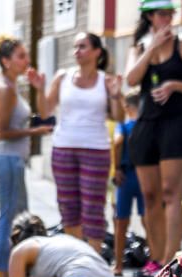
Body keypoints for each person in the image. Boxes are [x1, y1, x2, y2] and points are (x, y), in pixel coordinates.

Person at [124, 0, 182, 277]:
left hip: (178, 122)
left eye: (171, 14)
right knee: (150, 196)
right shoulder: (139, 45)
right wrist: (151, 49)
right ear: (150, 18)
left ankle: (171, 262)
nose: (168, 19)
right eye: (161, 14)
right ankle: (155, 258)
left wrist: (174, 85)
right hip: (148, 122)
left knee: (171, 193)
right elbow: (131, 79)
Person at [29, 32, 123, 254]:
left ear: (97, 52)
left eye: (82, 46)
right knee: (68, 206)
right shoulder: (63, 77)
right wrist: (40, 90)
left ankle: (94, 261)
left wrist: (117, 96)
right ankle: (76, 258)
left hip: (96, 150)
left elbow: (119, 117)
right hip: (63, 148)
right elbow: (45, 111)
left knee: (93, 208)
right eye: (75, 47)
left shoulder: (106, 80)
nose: (76, 51)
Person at [0, 35, 52, 277]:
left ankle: (12, 274)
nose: (27, 61)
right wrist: (34, 132)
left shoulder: (13, 86)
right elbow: (1, 132)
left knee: (19, 216)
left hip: (11, 160)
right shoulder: (5, 89)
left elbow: (41, 114)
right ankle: (1, 276)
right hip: (7, 159)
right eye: (21, 56)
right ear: (6, 61)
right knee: (10, 219)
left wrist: (39, 89)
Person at [111, 90, 143, 277]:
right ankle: (156, 259)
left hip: (126, 175)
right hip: (145, 174)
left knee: (120, 221)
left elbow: (117, 143)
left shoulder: (122, 126)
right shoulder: (145, 126)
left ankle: (118, 265)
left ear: (126, 107)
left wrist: (116, 168)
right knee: (148, 220)